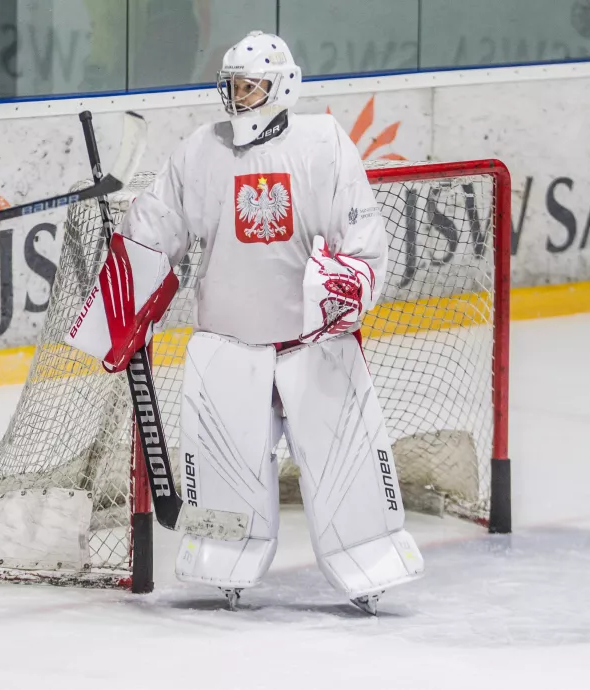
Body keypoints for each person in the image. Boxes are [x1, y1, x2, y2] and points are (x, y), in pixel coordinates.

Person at [69, 31, 424, 614]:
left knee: (346, 464)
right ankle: (224, 560)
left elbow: (361, 232)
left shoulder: (322, 143)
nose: (237, 97)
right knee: (225, 470)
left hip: (312, 342)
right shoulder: (201, 149)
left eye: (250, 86)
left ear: (282, 87)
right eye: (231, 85)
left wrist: (348, 284)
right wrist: (127, 283)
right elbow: (159, 221)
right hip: (228, 341)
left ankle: (370, 559)